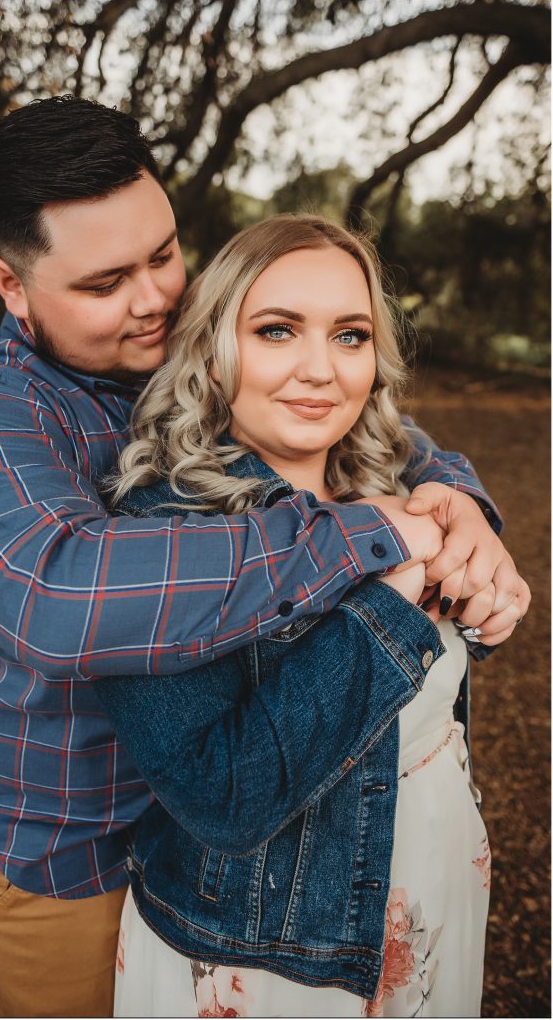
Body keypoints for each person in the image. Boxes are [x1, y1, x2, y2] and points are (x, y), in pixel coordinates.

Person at [0, 96, 527, 1018]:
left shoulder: (178, 342)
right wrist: (378, 533)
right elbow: (57, 600)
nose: (154, 297)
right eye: (106, 281)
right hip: (70, 840)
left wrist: (458, 503)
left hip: (237, 851)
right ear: (10, 284)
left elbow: (372, 428)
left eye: (162, 255)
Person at [98, 215, 525, 1017]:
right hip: (264, 949)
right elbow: (221, 799)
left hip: (429, 875)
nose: (319, 369)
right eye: (277, 330)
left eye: (351, 335)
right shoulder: (160, 532)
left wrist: (479, 592)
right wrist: (398, 596)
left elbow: (425, 696)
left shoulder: (397, 485)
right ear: (214, 348)